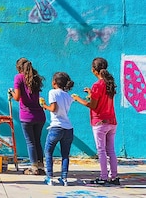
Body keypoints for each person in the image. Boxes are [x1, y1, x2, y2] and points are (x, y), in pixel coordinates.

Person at [73, 57, 120, 186]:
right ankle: (114, 176)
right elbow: (101, 99)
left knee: (102, 151)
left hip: (100, 122)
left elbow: (93, 105)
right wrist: (91, 93)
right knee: (111, 150)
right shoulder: (109, 83)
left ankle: (103, 177)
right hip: (112, 121)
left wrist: (78, 99)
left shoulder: (97, 85)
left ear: (94, 70)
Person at [10, 58, 45, 175]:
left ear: (18, 67)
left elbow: (17, 97)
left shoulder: (18, 78)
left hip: (27, 115)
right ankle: (41, 166)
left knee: (30, 142)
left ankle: (34, 168)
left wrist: (11, 92)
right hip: (39, 115)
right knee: (37, 141)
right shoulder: (35, 77)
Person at [40, 72, 75, 186]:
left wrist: (44, 105)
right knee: (65, 154)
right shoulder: (68, 96)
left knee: (48, 151)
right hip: (68, 128)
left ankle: (49, 177)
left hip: (56, 127)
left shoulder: (52, 92)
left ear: (54, 82)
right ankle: (64, 178)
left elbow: (53, 108)